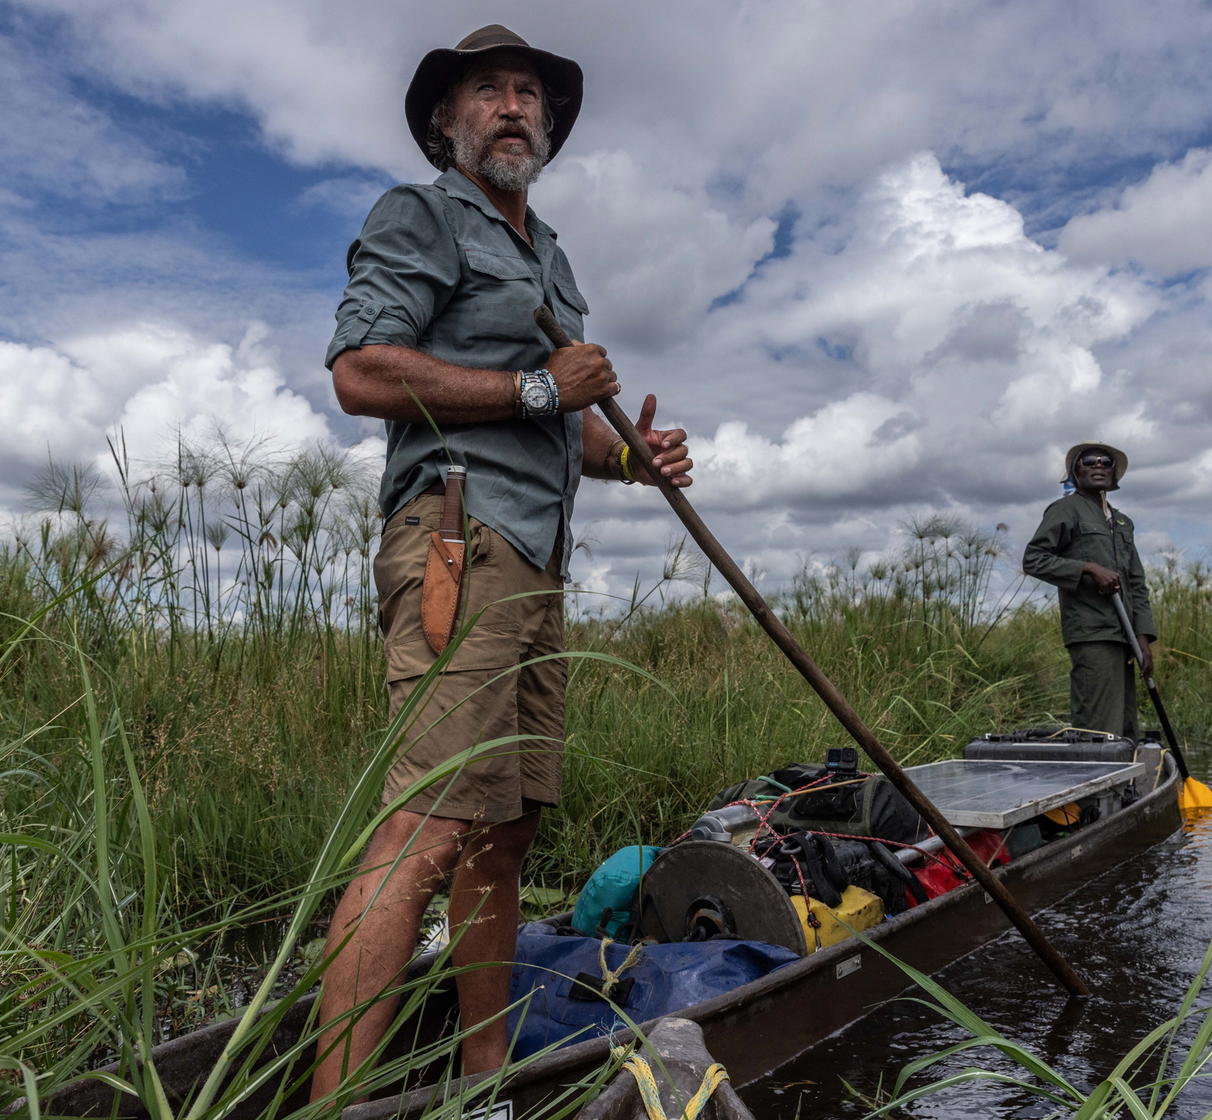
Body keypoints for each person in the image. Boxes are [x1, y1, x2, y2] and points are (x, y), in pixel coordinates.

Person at [313, 25, 693, 1098]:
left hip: (533, 560)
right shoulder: (422, 214)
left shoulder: (551, 257)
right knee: (429, 823)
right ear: (447, 119)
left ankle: (486, 1077)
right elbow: (361, 371)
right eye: (488, 91)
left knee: (503, 833)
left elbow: (561, 425)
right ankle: (330, 1101)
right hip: (458, 543)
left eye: (530, 93)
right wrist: (538, 387)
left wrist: (634, 459)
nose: (514, 106)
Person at [1022, 442, 1155, 739]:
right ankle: (1096, 781)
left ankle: (1128, 783)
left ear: (1114, 473)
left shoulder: (1122, 522)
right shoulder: (1066, 510)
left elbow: (1136, 582)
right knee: (1098, 726)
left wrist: (1143, 639)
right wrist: (1087, 569)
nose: (1098, 465)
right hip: (1092, 632)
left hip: (1126, 636)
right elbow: (1034, 559)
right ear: (1075, 471)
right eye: (1089, 461)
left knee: (1126, 725)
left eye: (1105, 462)